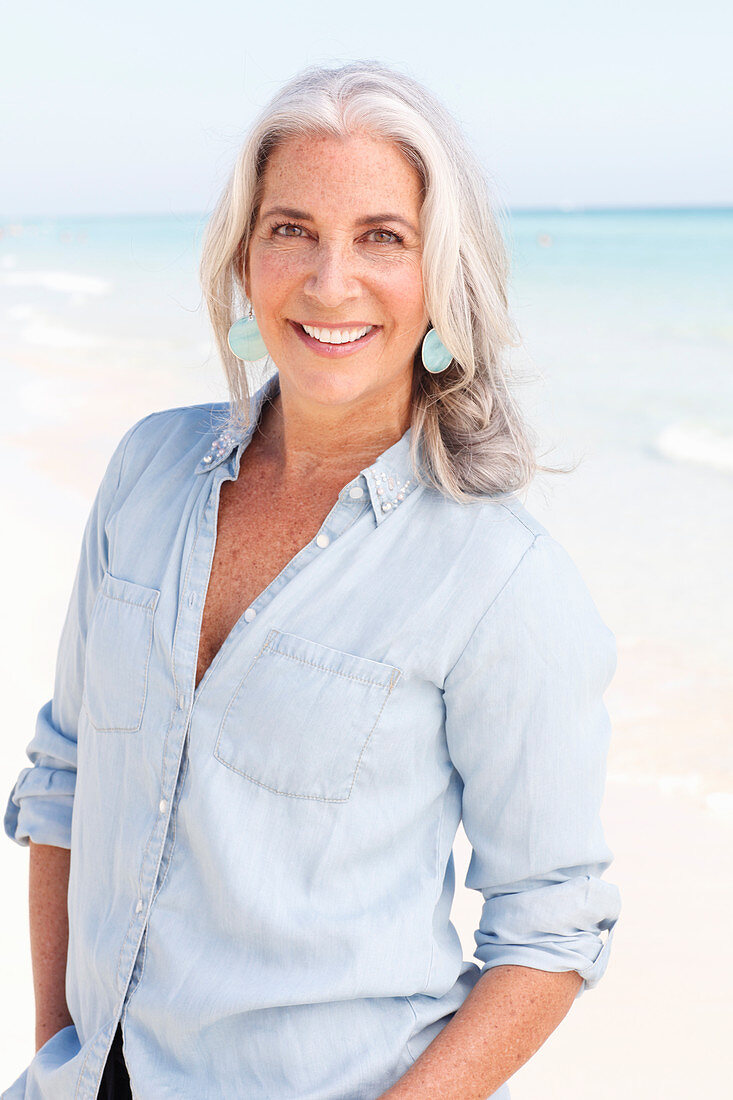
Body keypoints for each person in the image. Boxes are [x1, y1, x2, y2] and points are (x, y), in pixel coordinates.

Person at [3, 61, 621, 1100]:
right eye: (291, 229)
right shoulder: (145, 473)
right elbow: (64, 775)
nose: (330, 281)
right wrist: (62, 1048)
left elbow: (551, 927)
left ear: (440, 275)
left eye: (382, 236)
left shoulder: (500, 577)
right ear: (245, 259)